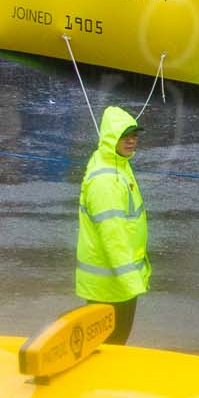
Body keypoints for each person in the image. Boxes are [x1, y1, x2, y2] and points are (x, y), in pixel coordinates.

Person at [75, 106, 148, 346]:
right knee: (111, 348)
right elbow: (113, 236)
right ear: (110, 137)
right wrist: (132, 284)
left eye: (135, 135)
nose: (131, 140)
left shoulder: (117, 164)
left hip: (112, 283)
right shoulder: (106, 180)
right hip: (112, 286)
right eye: (125, 135)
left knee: (108, 347)